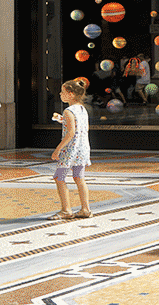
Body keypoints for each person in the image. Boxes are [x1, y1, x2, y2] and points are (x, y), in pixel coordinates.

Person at [50, 78, 95, 219]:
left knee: (59, 177)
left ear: (70, 94)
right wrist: (61, 120)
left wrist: (58, 149)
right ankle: (85, 209)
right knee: (79, 177)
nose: (60, 94)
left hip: (70, 150)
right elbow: (81, 127)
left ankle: (66, 210)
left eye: (63, 92)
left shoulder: (68, 111)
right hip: (82, 149)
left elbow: (71, 133)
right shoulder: (82, 109)